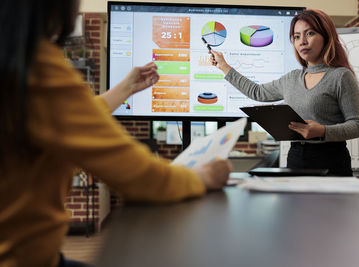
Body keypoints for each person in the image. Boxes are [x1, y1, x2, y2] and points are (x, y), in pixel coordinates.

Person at [0, 1, 231, 266]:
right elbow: (142, 177)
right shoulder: (37, 68)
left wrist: (124, 90)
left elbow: (65, 117)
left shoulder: (14, 64)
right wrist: (202, 176)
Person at [210, 9, 359, 176]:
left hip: (331, 160)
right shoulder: (291, 78)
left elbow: (358, 126)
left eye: (310, 33)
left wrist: (322, 131)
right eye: (297, 37)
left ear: (326, 37)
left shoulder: (340, 76)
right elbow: (257, 92)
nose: (302, 42)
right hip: (296, 157)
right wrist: (224, 67)